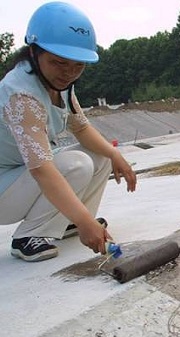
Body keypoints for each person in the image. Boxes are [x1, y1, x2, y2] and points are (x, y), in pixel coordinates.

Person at [0, 2, 137, 262]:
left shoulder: (59, 84)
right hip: (4, 188)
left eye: (78, 66)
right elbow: (42, 169)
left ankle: (66, 222)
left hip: (20, 176)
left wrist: (114, 155)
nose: (69, 73)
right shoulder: (21, 94)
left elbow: (82, 127)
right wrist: (87, 221)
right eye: (59, 62)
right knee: (75, 163)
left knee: (102, 155)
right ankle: (28, 236)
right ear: (33, 51)